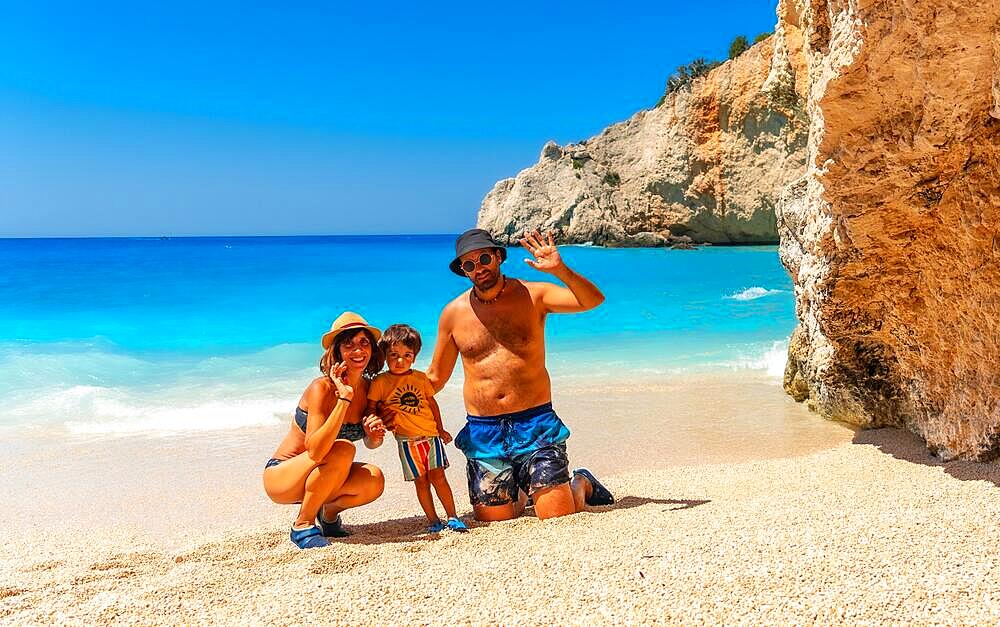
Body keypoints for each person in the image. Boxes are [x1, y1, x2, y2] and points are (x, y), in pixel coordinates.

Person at [417, 228, 615, 522]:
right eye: (469, 264)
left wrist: (559, 269)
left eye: (484, 258)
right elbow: (435, 377)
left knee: (557, 516)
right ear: (463, 270)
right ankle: (526, 487)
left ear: (497, 256)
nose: (478, 268)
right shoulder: (453, 314)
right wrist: (389, 395)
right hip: (484, 431)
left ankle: (580, 482)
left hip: (535, 423)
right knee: (494, 519)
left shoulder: (533, 294)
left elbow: (592, 300)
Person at [262, 312, 389, 549]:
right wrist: (344, 399)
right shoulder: (321, 388)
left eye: (364, 343)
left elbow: (371, 444)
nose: (358, 350)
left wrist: (374, 436)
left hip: (322, 477)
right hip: (283, 476)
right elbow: (315, 450)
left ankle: (329, 515)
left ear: (372, 349)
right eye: (348, 344)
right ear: (337, 351)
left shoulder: (371, 389)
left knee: (374, 479)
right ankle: (303, 524)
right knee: (342, 449)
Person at [366, 324, 468, 533]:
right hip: (406, 441)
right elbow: (371, 407)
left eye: (407, 354)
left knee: (439, 478)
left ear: (414, 356)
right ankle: (434, 522)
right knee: (421, 483)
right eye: (393, 354)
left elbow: (431, 403)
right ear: (385, 355)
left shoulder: (420, 378)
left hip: (430, 437)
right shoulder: (380, 382)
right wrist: (376, 421)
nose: (399, 360)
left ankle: (453, 517)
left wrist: (440, 429)